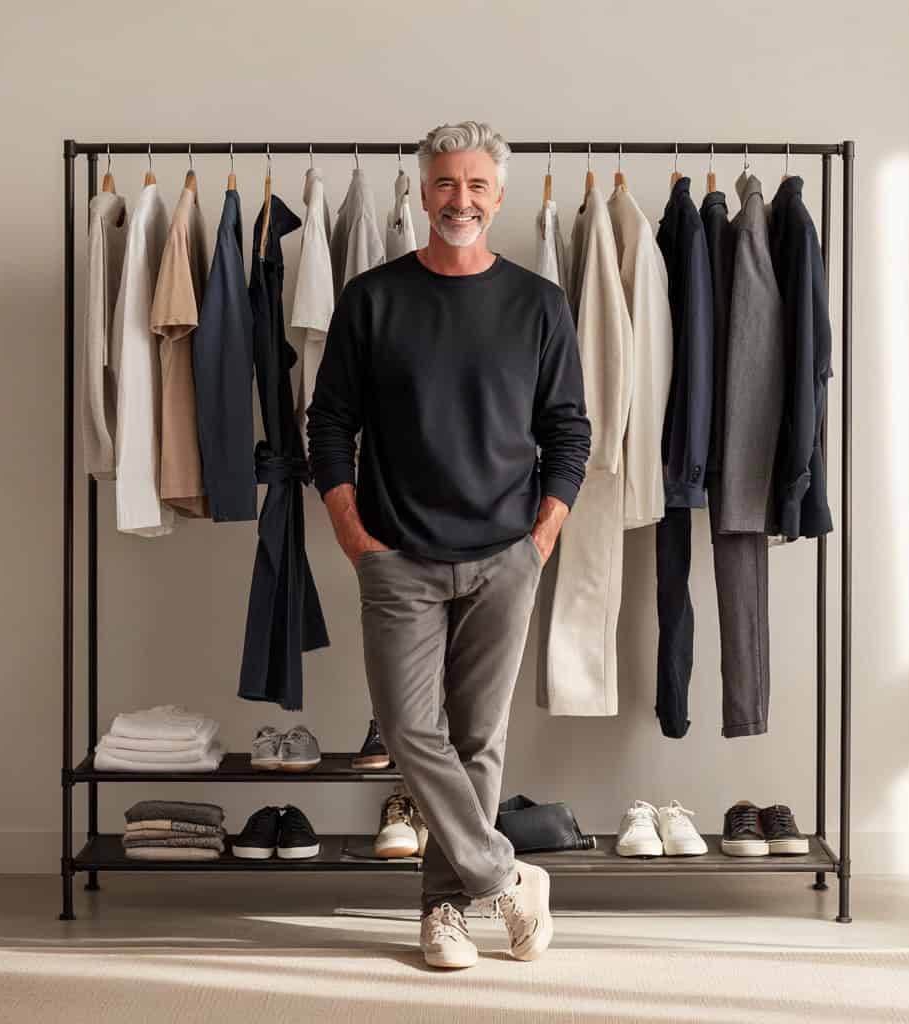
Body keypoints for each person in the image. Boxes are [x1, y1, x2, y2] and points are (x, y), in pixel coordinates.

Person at [306, 120, 591, 969]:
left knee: (478, 741)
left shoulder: (539, 303)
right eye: (443, 185)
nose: (458, 200)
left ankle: (444, 912)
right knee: (407, 727)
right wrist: (356, 536)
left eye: (475, 186)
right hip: (398, 554)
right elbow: (328, 424)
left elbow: (567, 431)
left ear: (498, 198)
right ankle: (504, 879)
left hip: (508, 554)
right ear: (420, 193)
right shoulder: (372, 297)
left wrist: (540, 540)